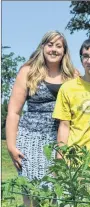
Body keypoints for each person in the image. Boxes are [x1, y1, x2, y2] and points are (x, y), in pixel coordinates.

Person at [6, 30, 77, 184]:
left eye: (59, 46)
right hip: (31, 139)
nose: (54, 49)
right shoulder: (28, 72)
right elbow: (14, 112)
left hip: (61, 139)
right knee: (33, 192)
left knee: (58, 191)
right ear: (43, 47)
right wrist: (11, 145)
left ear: (64, 51)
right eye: (50, 45)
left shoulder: (73, 75)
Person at [52, 38, 90, 168]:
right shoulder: (67, 88)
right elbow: (64, 126)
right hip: (73, 161)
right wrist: (60, 159)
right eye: (85, 56)